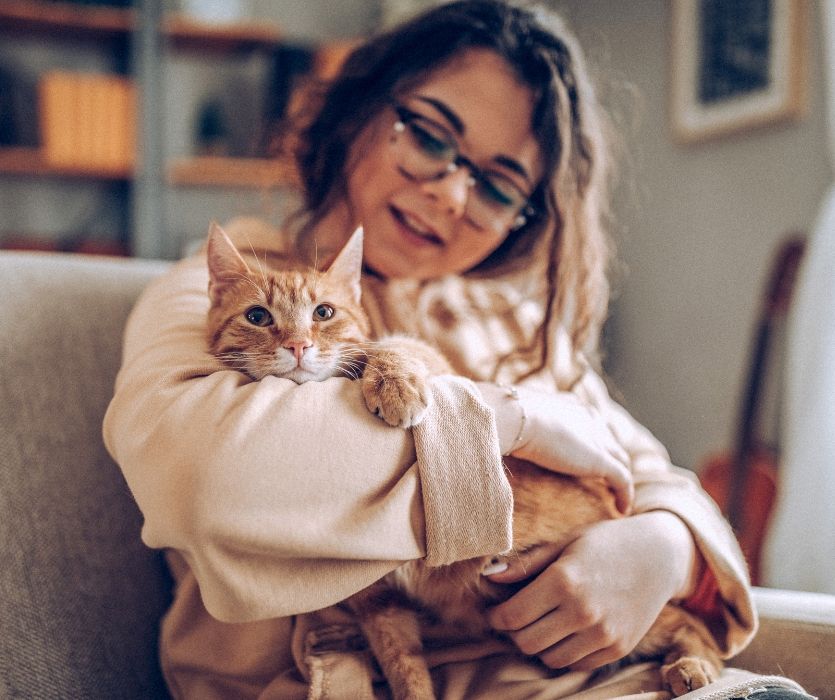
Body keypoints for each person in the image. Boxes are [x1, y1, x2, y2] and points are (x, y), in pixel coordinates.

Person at [103, 1, 813, 698]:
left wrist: (661, 548)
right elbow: (206, 477)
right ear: (360, 109)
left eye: (499, 185)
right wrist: (516, 421)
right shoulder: (213, 289)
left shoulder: (512, 319)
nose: (449, 194)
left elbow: (653, 476)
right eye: (430, 135)